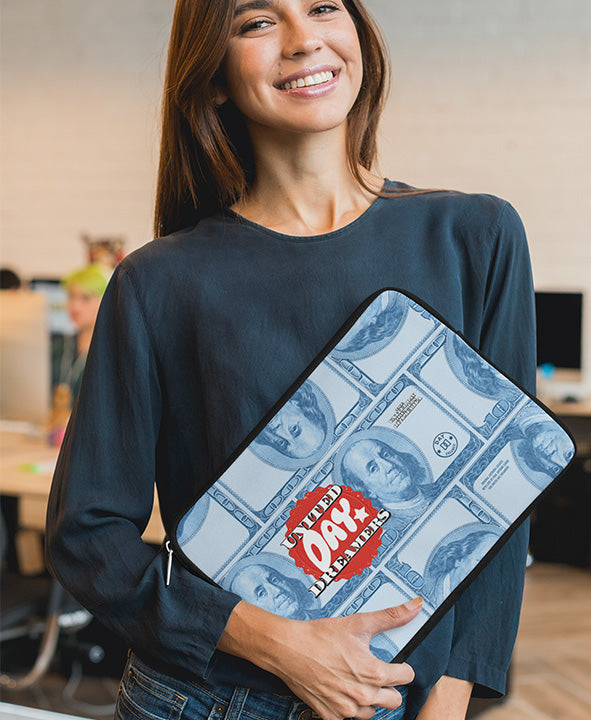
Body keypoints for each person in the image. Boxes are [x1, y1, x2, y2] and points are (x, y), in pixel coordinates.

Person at [45, 2, 536, 719]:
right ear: (213, 78)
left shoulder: (475, 237)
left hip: (396, 699)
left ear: (358, 36)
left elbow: (501, 499)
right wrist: (278, 643)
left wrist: (451, 697)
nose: (306, 39)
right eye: (257, 22)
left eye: (323, 7)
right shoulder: (157, 282)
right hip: (204, 699)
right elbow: (87, 535)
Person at [51, 263, 112, 402]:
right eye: (71, 296)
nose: (75, 306)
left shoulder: (111, 352)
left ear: (105, 301)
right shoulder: (58, 345)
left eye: (85, 298)